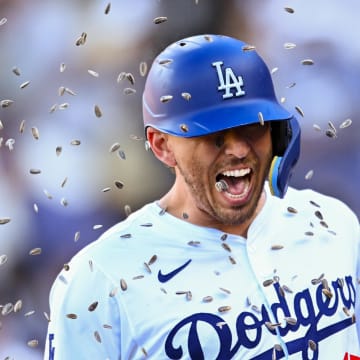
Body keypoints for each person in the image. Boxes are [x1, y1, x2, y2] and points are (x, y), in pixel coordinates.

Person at [44, 34, 360, 360]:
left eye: (254, 126)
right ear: (162, 145)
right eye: (214, 134)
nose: (238, 149)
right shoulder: (101, 278)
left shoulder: (333, 224)